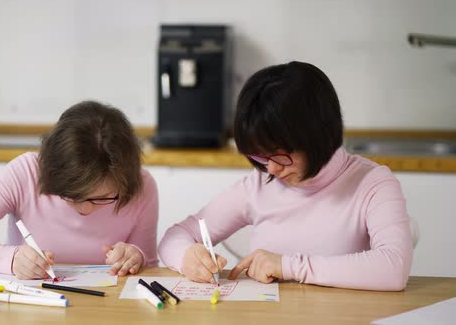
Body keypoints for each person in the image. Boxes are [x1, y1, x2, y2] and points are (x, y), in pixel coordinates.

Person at [158, 61, 413, 291]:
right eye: (260, 157)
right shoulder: (257, 186)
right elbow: (174, 237)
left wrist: (289, 266)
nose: (271, 169)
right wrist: (187, 256)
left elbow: (393, 268)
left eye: (279, 156)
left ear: (318, 136)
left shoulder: (373, 184)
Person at [0, 101, 159, 279]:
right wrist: (11, 260)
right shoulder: (26, 172)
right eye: (71, 194)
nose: (83, 208)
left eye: (100, 198)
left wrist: (134, 258)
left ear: (124, 180)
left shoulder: (142, 186)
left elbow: (149, 269)